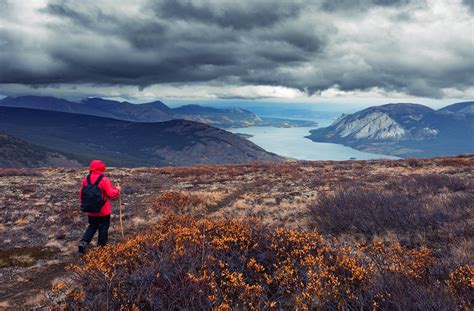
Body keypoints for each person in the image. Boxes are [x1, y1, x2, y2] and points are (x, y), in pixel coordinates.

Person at [78, 160, 121, 253]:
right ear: (101, 168)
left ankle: (83, 242)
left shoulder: (86, 179)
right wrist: (117, 190)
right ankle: (101, 249)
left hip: (90, 209)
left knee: (92, 226)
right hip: (103, 211)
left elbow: (81, 194)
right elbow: (111, 194)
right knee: (103, 228)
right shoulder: (104, 179)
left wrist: (84, 204)